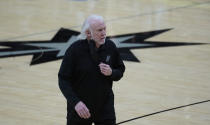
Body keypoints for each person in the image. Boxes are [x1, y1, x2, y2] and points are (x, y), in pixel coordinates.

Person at [58, 14, 125, 125]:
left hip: (104, 108)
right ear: (88, 33)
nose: (104, 33)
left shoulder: (110, 47)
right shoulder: (74, 50)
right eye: (99, 30)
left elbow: (120, 69)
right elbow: (63, 80)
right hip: (80, 109)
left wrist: (112, 72)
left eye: (104, 29)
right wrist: (76, 103)